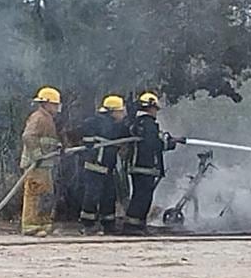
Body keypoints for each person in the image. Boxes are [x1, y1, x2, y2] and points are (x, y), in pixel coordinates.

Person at [125, 92, 185, 234]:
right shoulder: (148, 124)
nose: (156, 112)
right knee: (143, 197)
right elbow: (153, 144)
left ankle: (136, 225)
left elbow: (151, 140)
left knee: (139, 196)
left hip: (139, 166)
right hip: (145, 166)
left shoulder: (139, 123)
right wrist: (169, 143)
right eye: (155, 109)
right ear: (151, 108)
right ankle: (133, 227)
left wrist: (169, 139)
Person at [78, 95, 130, 235]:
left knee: (109, 195)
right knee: (93, 195)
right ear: (112, 111)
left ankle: (108, 224)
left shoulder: (107, 124)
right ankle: (88, 225)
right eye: (120, 111)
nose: (122, 115)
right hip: (96, 165)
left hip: (107, 167)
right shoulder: (102, 124)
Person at [20, 86, 63, 237]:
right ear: (46, 103)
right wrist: (37, 155)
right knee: (34, 195)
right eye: (55, 104)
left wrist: (56, 146)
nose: (57, 108)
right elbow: (28, 136)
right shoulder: (38, 117)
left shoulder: (47, 118)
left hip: (45, 166)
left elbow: (45, 140)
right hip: (35, 165)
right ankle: (31, 226)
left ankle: (43, 224)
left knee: (45, 196)